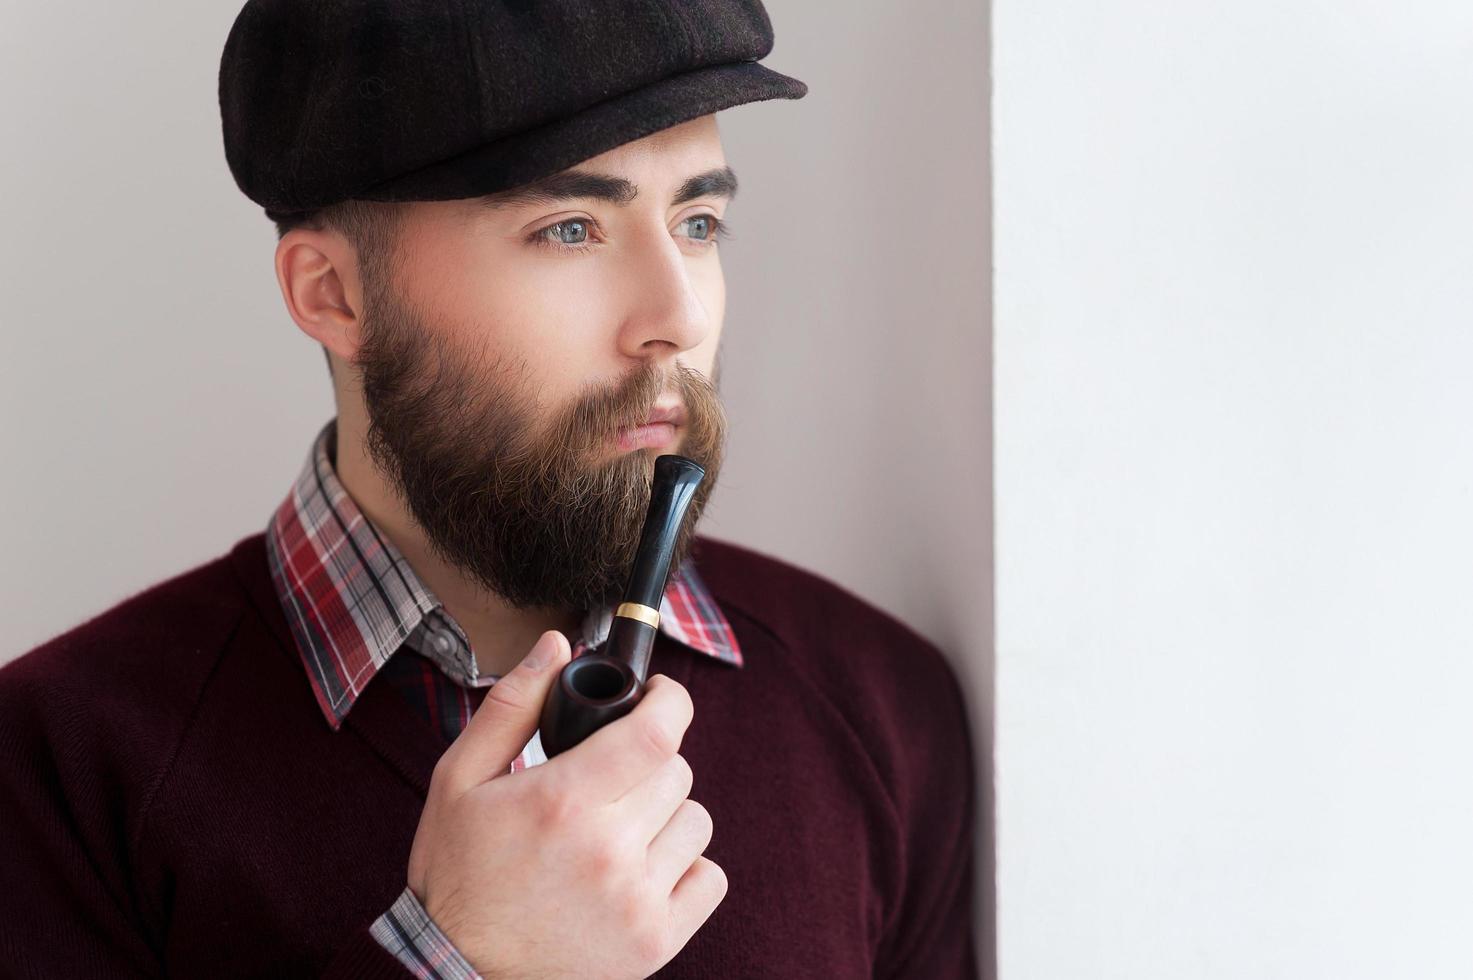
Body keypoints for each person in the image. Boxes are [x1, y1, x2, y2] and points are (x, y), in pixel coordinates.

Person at [0, 1, 979, 977]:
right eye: (569, 229)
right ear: (333, 294)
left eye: (698, 220)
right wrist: (460, 956)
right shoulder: (59, 766)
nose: (677, 313)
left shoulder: (880, 707)